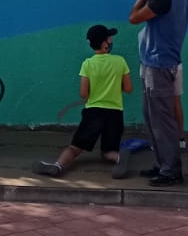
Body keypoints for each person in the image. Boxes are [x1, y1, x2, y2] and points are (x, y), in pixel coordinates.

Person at [35, 25, 133, 177]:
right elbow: (128, 88)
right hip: (115, 114)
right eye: (109, 37)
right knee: (108, 152)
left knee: (75, 148)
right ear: (104, 44)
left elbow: (83, 93)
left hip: (93, 113)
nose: (111, 40)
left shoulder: (87, 64)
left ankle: (58, 165)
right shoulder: (120, 61)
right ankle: (119, 157)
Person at [128, 0, 188, 186]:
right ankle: (162, 164)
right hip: (155, 63)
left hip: (159, 65)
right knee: (153, 118)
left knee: (162, 120)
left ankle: (171, 170)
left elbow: (134, 17)